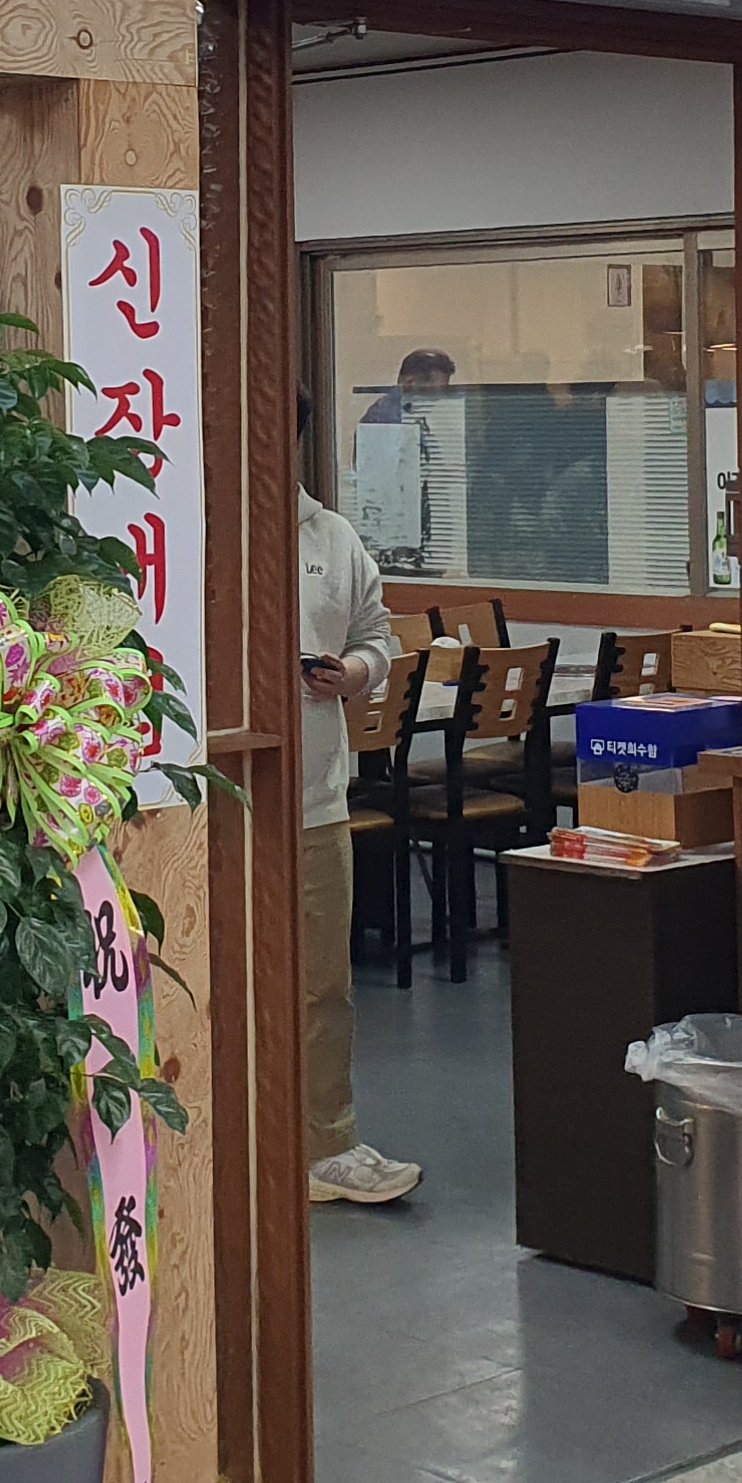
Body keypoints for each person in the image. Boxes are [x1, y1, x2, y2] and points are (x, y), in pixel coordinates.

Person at [296, 391, 418, 1206]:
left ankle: (327, 1146)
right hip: (207, 803)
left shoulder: (331, 537)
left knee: (323, 985)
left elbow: (379, 633)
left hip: (315, 798)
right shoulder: (197, 528)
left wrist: (357, 673)